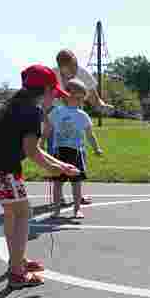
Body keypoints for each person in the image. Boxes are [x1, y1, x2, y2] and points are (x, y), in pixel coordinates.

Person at [0, 64, 80, 289]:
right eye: (55, 95)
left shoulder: (13, 105)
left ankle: (18, 261)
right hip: (1, 168)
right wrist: (55, 170)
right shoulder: (34, 112)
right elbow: (32, 151)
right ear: (47, 91)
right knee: (23, 213)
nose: (56, 100)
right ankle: (17, 273)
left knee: (13, 213)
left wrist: (62, 166)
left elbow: (36, 151)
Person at [50, 49, 112, 205]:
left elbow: (94, 98)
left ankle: (78, 195)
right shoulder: (52, 75)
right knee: (56, 161)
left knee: (78, 159)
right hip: (56, 121)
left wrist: (102, 106)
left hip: (76, 123)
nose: (72, 70)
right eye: (68, 67)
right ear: (60, 66)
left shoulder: (83, 74)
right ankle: (59, 196)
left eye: (74, 65)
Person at [41, 78, 103, 219]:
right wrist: (42, 142)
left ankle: (77, 209)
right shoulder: (57, 112)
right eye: (78, 97)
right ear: (67, 95)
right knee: (57, 183)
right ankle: (56, 210)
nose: (81, 101)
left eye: (82, 98)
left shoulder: (83, 115)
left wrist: (96, 148)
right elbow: (48, 128)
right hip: (59, 152)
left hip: (76, 152)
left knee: (76, 183)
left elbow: (89, 134)